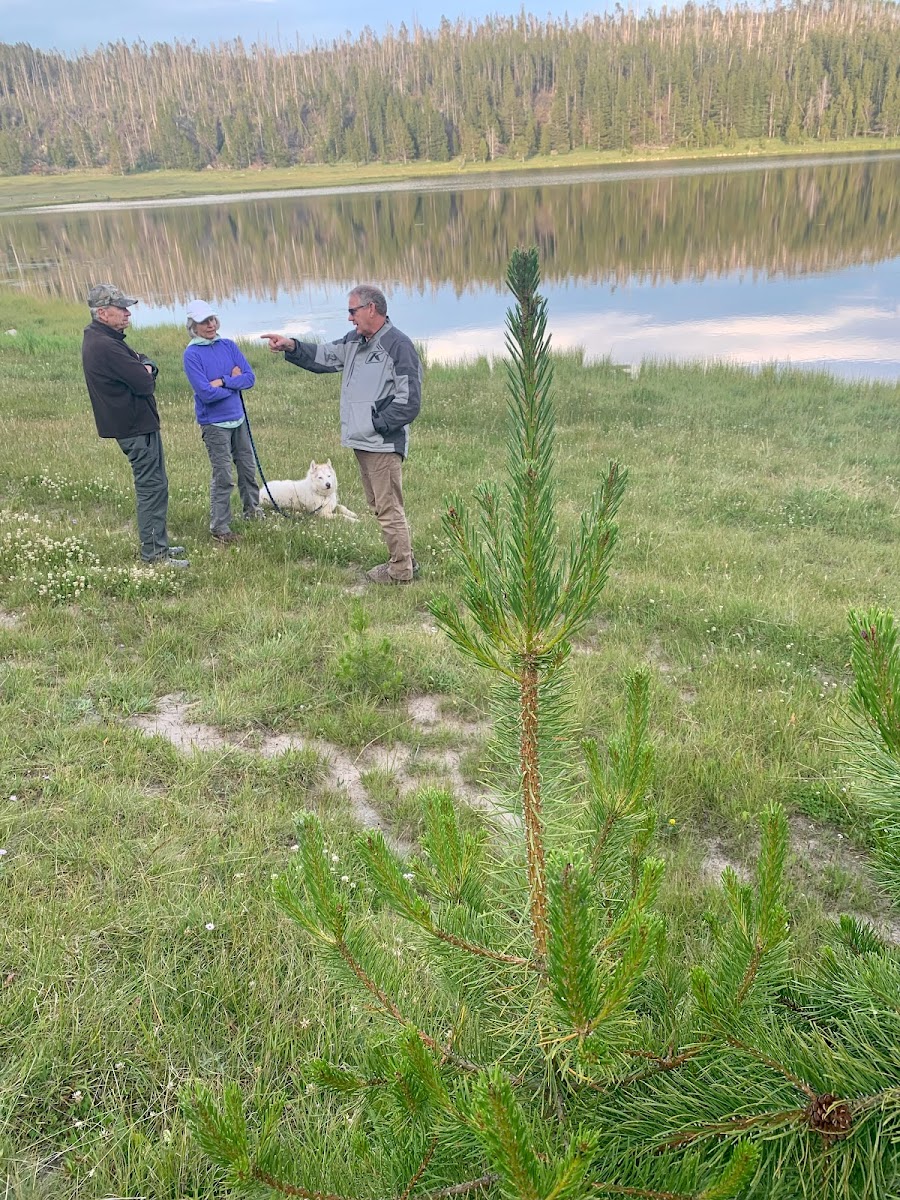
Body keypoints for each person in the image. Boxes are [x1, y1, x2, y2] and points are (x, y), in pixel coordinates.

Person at [260, 284, 421, 584]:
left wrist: (377, 423)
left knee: (388, 507)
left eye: (352, 311)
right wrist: (291, 346)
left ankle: (400, 571)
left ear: (371, 309)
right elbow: (324, 356)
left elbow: (409, 400)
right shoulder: (355, 341)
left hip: (382, 444)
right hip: (364, 441)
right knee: (379, 506)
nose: (349, 318)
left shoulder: (399, 345)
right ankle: (406, 560)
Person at [81, 283, 188, 567]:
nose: (128, 313)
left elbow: (144, 362)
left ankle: (158, 545)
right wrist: (146, 368)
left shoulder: (106, 338)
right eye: (121, 308)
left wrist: (145, 364)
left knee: (157, 486)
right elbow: (143, 382)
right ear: (103, 313)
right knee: (151, 489)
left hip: (136, 424)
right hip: (134, 427)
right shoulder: (105, 344)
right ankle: (154, 555)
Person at [182, 300, 262, 543]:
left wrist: (224, 382)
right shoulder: (191, 354)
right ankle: (220, 527)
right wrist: (232, 384)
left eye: (213, 319)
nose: (211, 324)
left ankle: (253, 512)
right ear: (193, 326)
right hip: (214, 424)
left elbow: (249, 378)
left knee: (247, 468)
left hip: (238, 419)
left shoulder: (228, 345)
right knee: (224, 475)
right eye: (204, 321)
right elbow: (206, 393)